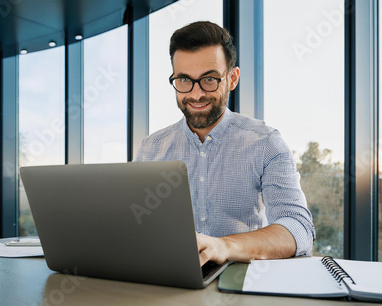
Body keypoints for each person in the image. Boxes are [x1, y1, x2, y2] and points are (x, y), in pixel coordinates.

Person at [134, 21, 315, 266]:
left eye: (209, 79)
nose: (196, 94)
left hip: (239, 285)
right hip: (167, 280)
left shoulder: (266, 143)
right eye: (184, 80)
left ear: (232, 78)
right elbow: (134, 224)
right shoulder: (151, 148)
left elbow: (298, 227)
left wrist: (224, 245)